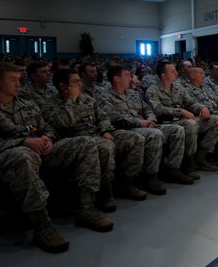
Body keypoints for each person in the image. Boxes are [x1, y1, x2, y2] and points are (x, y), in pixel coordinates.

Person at [0, 62, 105, 253]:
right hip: (8, 158)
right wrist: (23, 141)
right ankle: (42, 226)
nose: (19, 84)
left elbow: (47, 127)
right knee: (22, 156)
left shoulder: (28, 105)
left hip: (41, 150)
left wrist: (47, 138)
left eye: (19, 80)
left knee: (86, 143)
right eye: (13, 80)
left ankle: (87, 209)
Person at [42, 68, 147, 204]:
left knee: (135, 138)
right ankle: (105, 190)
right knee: (105, 147)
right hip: (73, 141)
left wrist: (105, 131)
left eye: (79, 81)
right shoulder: (51, 104)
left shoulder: (87, 99)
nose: (79, 85)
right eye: (75, 82)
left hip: (97, 134)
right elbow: (64, 123)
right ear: (63, 86)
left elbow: (103, 117)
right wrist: (71, 100)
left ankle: (127, 182)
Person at [99, 65, 176, 195]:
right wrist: (140, 122)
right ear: (116, 79)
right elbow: (112, 117)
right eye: (128, 75)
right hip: (121, 129)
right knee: (153, 134)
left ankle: (157, 174)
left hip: (143, 126)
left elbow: (148, 109)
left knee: (174, 129)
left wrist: (151, 119)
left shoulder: (134, 94)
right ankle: (130, 181)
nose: (131, 78)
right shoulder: (105, 96)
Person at [146, 60, 218, 180]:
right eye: (173, 71)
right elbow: (158, 109)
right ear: (163, 75)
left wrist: (202, 107)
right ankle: (185, 164)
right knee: (190, 124)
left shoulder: (178, 87)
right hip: (165, 123)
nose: (176, 73)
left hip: (181, 120)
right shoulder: (152, 90)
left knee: (216, 120)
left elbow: (190, 102)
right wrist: (180, 111)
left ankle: (200, 157)